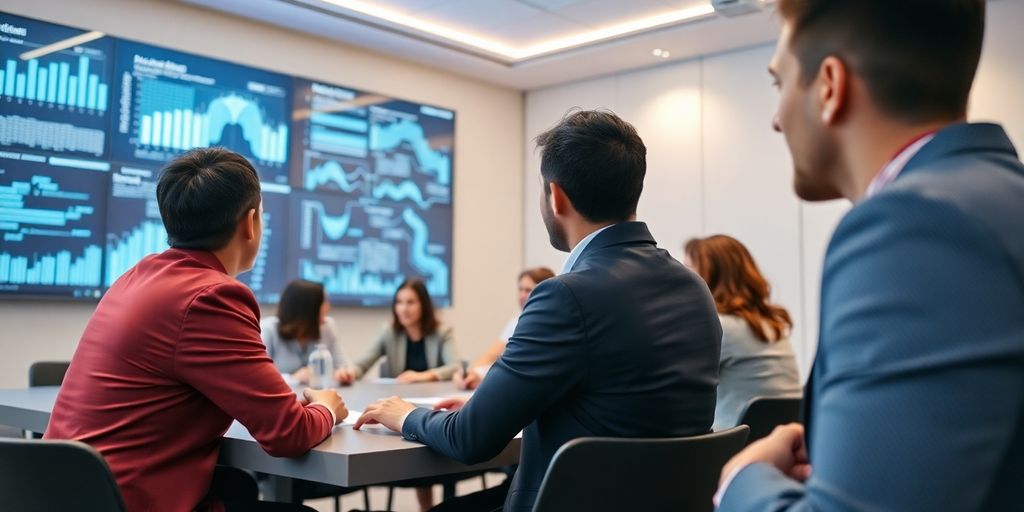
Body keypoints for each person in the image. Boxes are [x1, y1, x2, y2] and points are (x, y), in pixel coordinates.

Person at [716, 1, 1024, 510]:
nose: (775, 120)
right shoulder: (995, 199)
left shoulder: (914, 227)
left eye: (779, 83)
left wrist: (741, 480)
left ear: (829, 86)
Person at [355, 110, 723, 512]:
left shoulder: (566, 296)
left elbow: (469, 439)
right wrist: (493, 406)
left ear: (556, 196)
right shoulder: (693, 288)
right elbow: (620, 406)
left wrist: (406, 415)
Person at [44, 148, 348, 512]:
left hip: (63, 493)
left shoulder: (135, 278)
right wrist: (327, 408)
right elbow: (289, 433)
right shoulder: (211, 297)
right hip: (127, 502)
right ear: (251, 222)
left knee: (237, 486)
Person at [684, 235, 801, 430]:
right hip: (783, 439)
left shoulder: (722, 327)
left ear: (711, 275)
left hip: (734, 440)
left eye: (689, 268)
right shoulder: (771, 324)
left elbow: (679, 381)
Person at [454, 267, 555, 390]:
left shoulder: (552, 325)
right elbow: (491, 356)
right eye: (520, 289)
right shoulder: (515, 322)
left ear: (545, 293)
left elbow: (520, 367)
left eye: (528, 290)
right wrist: (470, 373)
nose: (522, 295)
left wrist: (481, 376)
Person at [346, 277, 460, 384]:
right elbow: (362, 365)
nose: (403, 309)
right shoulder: (389, 332)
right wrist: (349, 374)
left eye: (410, 302)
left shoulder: (442, 332)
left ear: (424, 305)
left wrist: (425, 375)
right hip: (399, 395)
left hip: (434, 395)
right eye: (399, 302)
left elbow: (456, 367)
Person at [262, 279, 352, 385]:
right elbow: (259, 377)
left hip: (319, 393)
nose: (328, 307)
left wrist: (343, 373)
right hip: (281, 394)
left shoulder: (327, 327)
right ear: (308, 307)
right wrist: (293, 378)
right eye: (324, 302)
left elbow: (343, 366)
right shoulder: (268, 329)